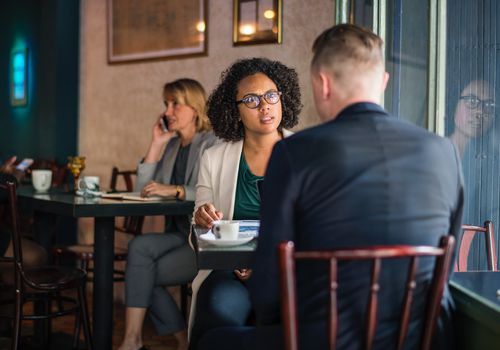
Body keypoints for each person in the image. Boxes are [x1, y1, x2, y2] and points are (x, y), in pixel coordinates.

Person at [198, 24, 464, 350]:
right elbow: (446, 266)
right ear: (383, 82)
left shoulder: (295, 153)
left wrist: (272, 318)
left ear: (322, 84)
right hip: (418, 337)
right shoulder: (442, 150)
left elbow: (268, 284)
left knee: (211, 341)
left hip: (324, 338)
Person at [188, 57, 302, 349]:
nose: (264, 105)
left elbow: (317, 228)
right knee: (217, 310)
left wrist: (269, 266)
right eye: (251, 99)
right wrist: (202, 216)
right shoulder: (214, 158)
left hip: (290, 270)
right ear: (235, 111)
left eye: (271, 95)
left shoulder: (306, 153)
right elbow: (199, 230)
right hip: (230, 269)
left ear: (281, 99)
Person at [118, 78, 217, 350]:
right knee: (138, 247)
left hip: (201, 238)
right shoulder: (173, 146)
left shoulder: (212, 142)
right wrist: (156, 143)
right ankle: (137, 340)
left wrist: (175, 190)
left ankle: (141, 341)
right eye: (166, 104)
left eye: (176, 104)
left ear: (195, 108)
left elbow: (212, 192)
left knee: (142, 274)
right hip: (176, 234)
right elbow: (143, 192)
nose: (167, 112)